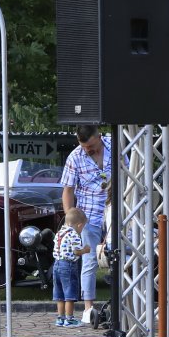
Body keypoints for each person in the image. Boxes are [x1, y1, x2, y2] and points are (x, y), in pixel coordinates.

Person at [60, 123, 112, 315]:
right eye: (83, 146)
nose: (87, 150)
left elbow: (129, 173)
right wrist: (70, 222)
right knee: (89, 261)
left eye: (90, 146)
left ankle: (125, 302)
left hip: (115, 211)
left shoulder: (114, 146)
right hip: (88, 216)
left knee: (121, 256)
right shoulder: (75, 157)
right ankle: (89, 308)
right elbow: (67, 190)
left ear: (99, 137)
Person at [52, 207, 88, 328]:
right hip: (68, 265)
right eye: (82, 227)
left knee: (59, 294)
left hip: (56, 264)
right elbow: (77, 251)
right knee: (69, 294)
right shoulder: (74, 234)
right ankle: (69, 319)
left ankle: (60, 318)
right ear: (79, 225)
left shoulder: (60, 232)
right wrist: (85, 250)